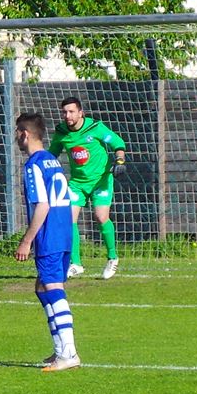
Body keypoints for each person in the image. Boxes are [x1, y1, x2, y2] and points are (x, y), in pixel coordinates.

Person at [14, 113, 81, 371]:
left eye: (17, 132)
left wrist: (27, 240)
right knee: (42, 287)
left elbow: (42, 204)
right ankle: (60, 350)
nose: (16, 138)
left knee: (52, 287)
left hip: (49, 234)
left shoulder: (34, 165)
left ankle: (69, 353)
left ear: (24, 134)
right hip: (64, 232)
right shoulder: (53, 161)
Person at [49, 97, 127, 280]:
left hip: (101, 180)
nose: (67, 115)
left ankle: (112, 257)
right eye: (64, 112)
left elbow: (117, 143)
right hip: (77, 183)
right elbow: (52, 154)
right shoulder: (61, 132)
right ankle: (76, 263)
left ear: (80, 113)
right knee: (68, 219)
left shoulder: (95, 127)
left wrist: (120, 160)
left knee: (101, 217)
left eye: (71, 111)